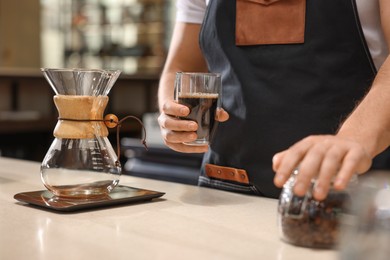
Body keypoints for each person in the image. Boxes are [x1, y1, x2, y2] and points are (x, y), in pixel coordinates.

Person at [158, 0, 390, 200]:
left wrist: (351, 141)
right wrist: (173, 113)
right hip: (226, 189)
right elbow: (179, 67)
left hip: (350, 192)